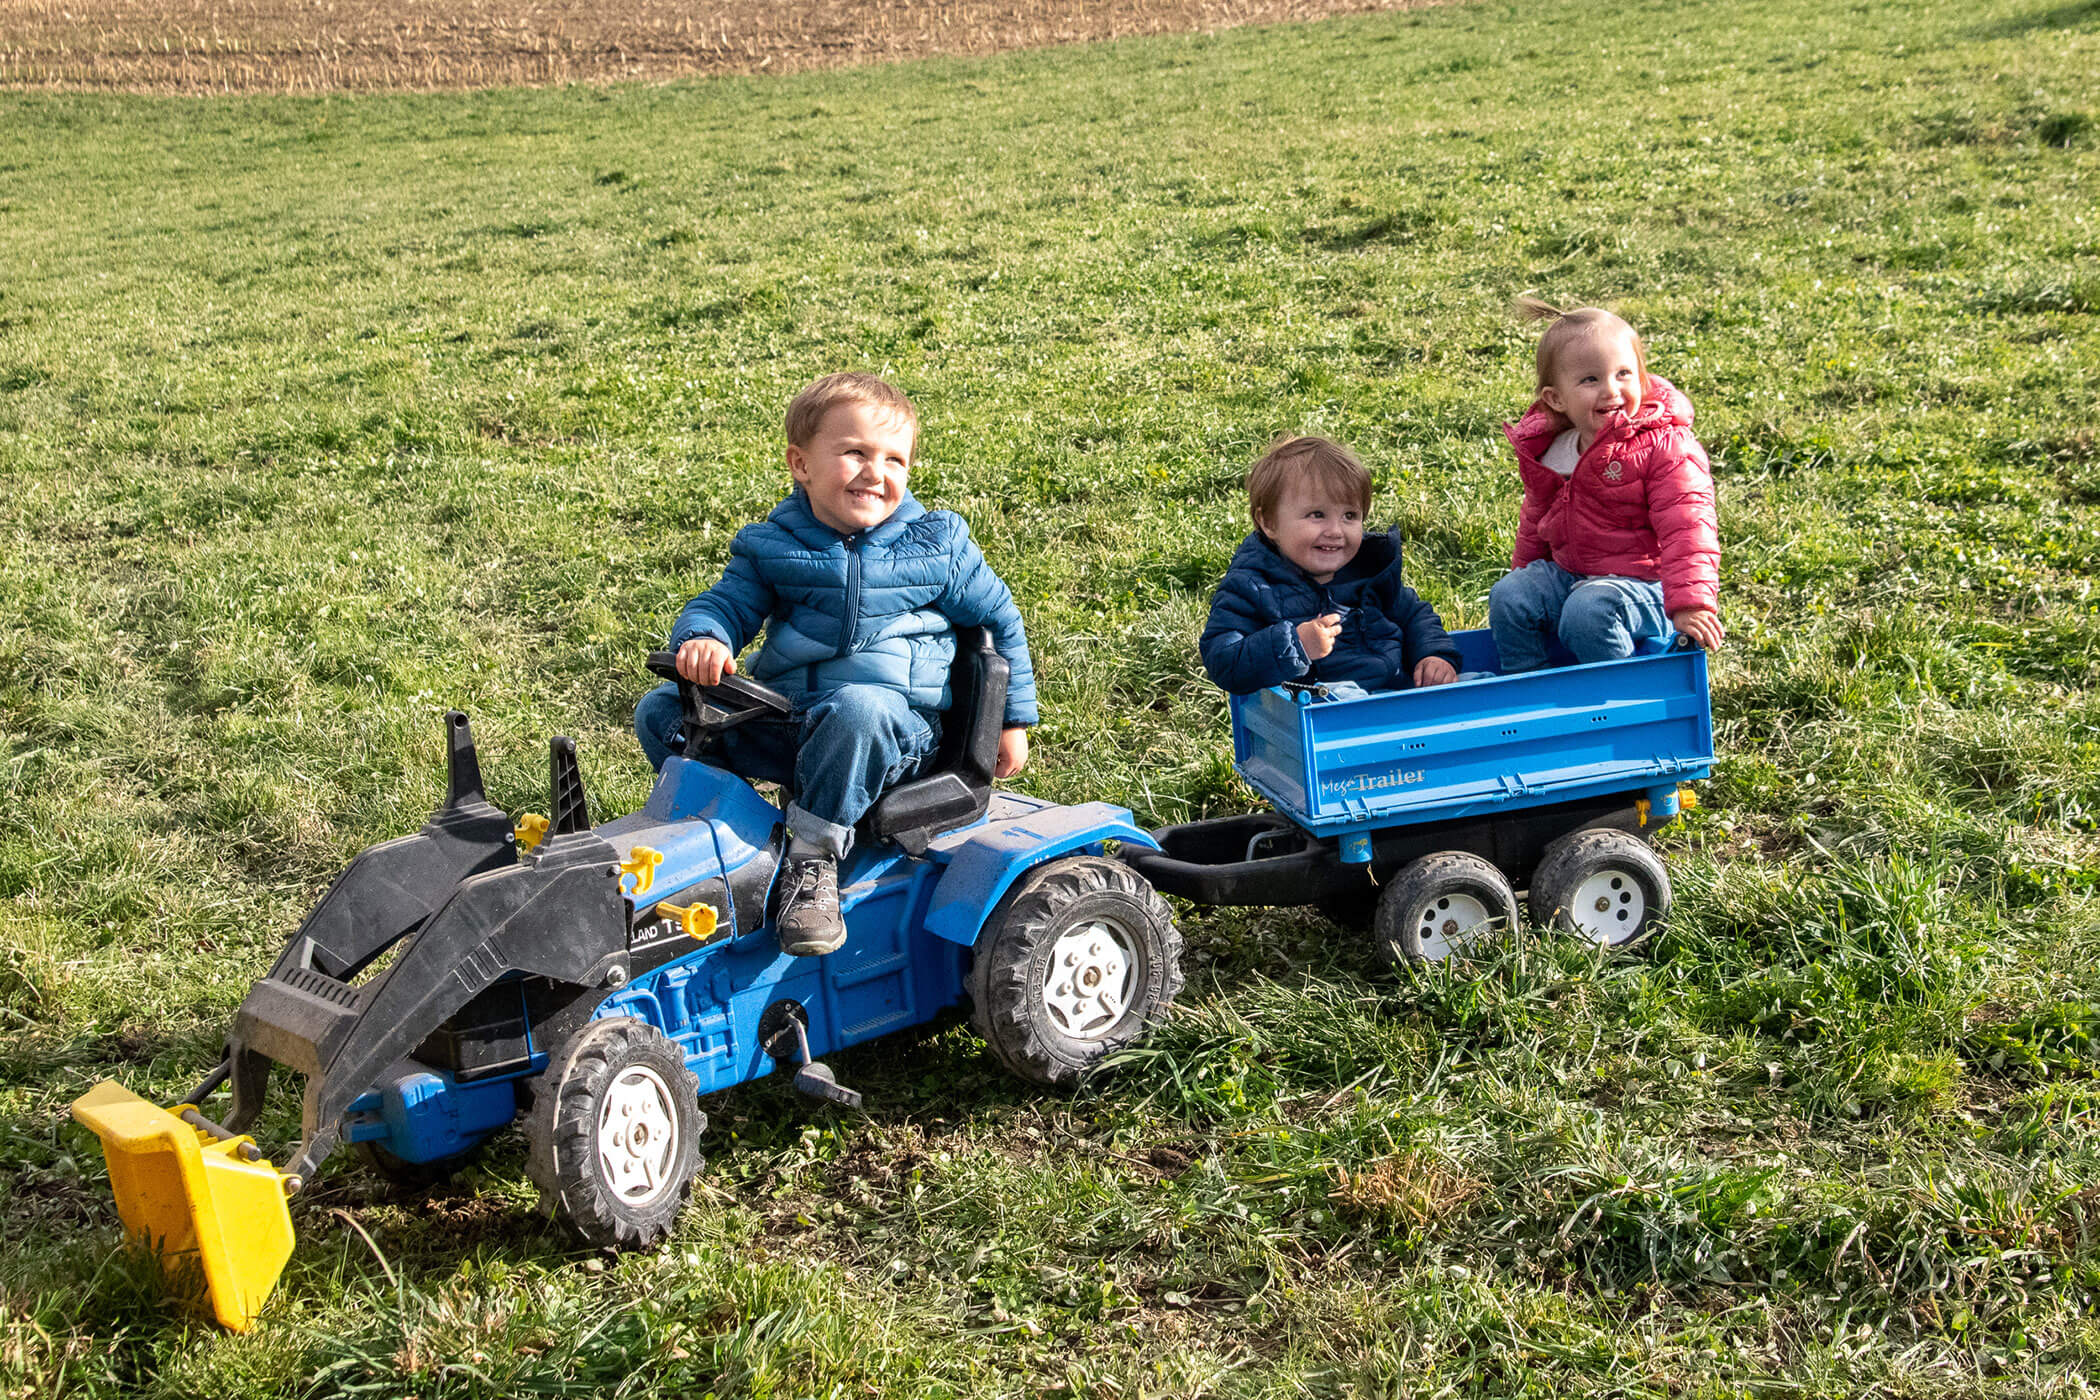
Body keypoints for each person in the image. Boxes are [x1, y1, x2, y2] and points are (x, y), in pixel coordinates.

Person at [634, 372, 1036, 957]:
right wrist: (705, 637)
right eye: (855, 453)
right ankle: (736, 836)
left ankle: (811, 858)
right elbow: (725, 604)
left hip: (896, 735)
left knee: (859, 708)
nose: (876, 472)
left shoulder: (937, 545)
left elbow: (1001, 619)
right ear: (801, 463)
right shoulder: (773, 544)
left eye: (895, 460)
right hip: (794, 719)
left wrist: (1012, 720)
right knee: (661, 711)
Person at [1488, 299, 1723, 672]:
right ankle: (1530, 686)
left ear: (1641, 379)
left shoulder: (1664, 446)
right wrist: (1526, 576)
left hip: (1646, 588)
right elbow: (1536, 522)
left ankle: (1621, 695)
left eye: (1624, 374)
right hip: (1573, 576)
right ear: (1556, 399)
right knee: (1510, 595)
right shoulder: (1553, 452)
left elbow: (1688, 527)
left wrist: (1690, 602)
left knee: (1588, 612)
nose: (1611, 390)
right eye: (1590, 379)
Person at [1201, 435, 1461, 698]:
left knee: (1471, 685)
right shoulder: (1253, 587)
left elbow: (1415, 616)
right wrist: (1296, 645)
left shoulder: (1372, 574)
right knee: (1344, 697)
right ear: (1269, 523)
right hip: (1323, 706)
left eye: (1350, 515)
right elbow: (1223, 660)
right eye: (1317, 515)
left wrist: (1433, 655)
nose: (1336, 531)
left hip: (1398, 692)